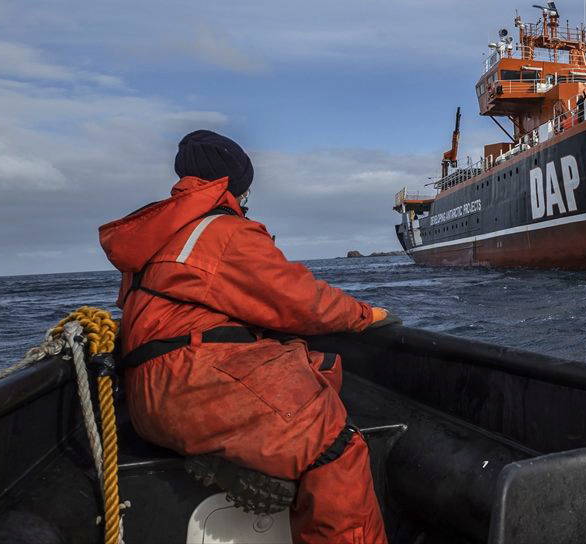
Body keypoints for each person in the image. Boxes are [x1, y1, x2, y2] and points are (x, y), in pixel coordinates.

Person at [99, 130, 392, 544]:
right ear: (235, 182)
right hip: (193, 387)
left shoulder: (165, 233)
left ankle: (246, 460)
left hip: (151, 396)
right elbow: (302, 300)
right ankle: (270, 462)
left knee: (312, 369)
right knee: (333, 444)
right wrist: (366, 314)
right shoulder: (222, 232)